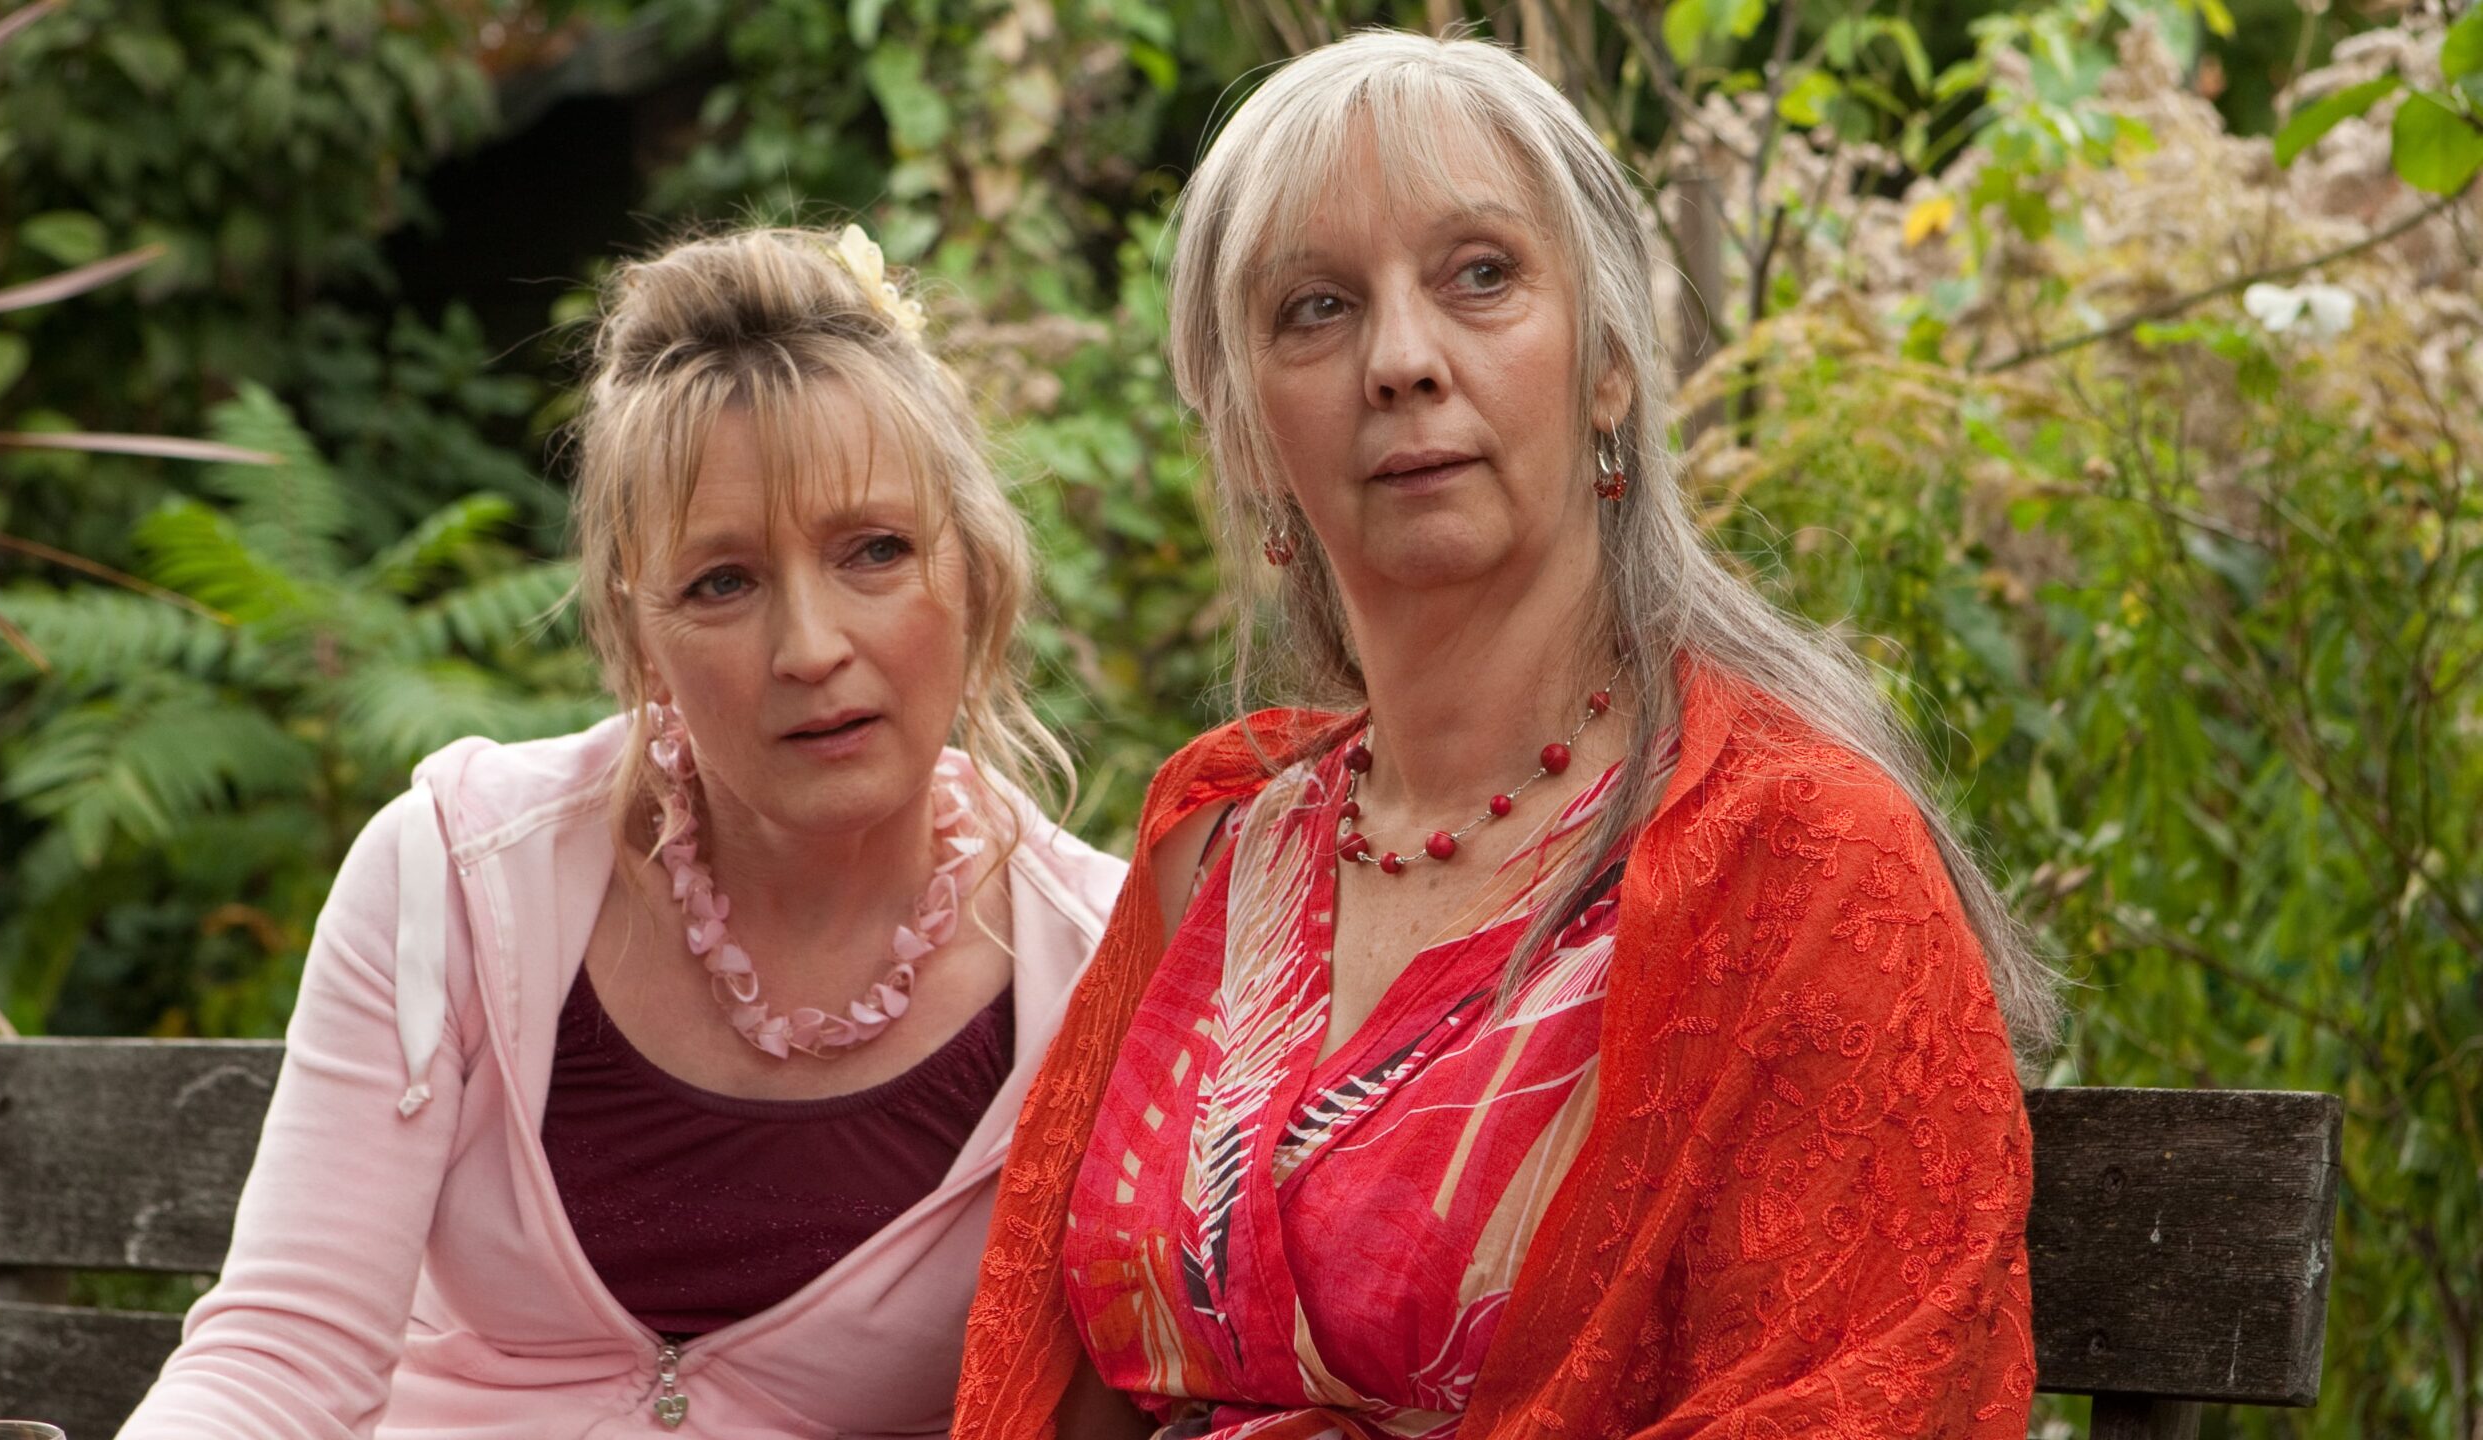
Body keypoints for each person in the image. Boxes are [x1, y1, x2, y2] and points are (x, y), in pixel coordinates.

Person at [953, 31, 2061, 1440]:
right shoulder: (1220, 847)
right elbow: (1047, 1393)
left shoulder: (1799, 861)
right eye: (1315, 308)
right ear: (1243, 437)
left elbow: (1858, 1405)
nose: (1402, 361)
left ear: (1609, 368)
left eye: (1480, 275)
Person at [120, 225, 1127, 1439]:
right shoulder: (453, 878)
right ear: (636, 631)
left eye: (874, 551)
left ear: (976, 570)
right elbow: (280, 1357)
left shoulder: (1102, 977)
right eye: (722, 582)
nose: (810, 648)